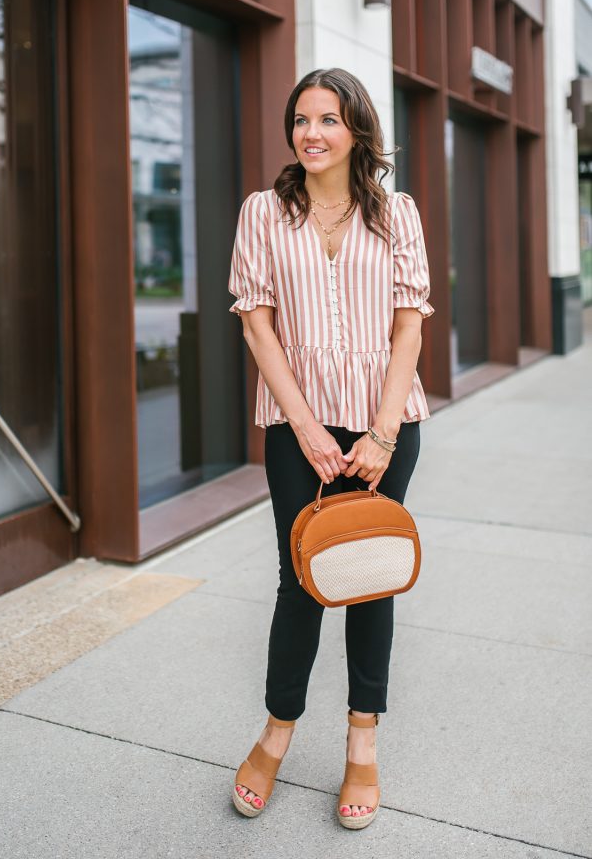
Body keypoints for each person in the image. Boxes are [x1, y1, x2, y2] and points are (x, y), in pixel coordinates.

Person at [227, 67, 435, 830]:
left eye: (329, 119)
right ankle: (277, 733)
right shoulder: (263, 212)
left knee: (371, 574)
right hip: (297, 425)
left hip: (386, 420)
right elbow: (257, 323)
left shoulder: (397, 213)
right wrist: (308, 426)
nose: (312, 133)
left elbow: (409, 324)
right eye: (302, 119)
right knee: (302, 578)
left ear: (356, 131)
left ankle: (362, 743)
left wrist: (381, 432)